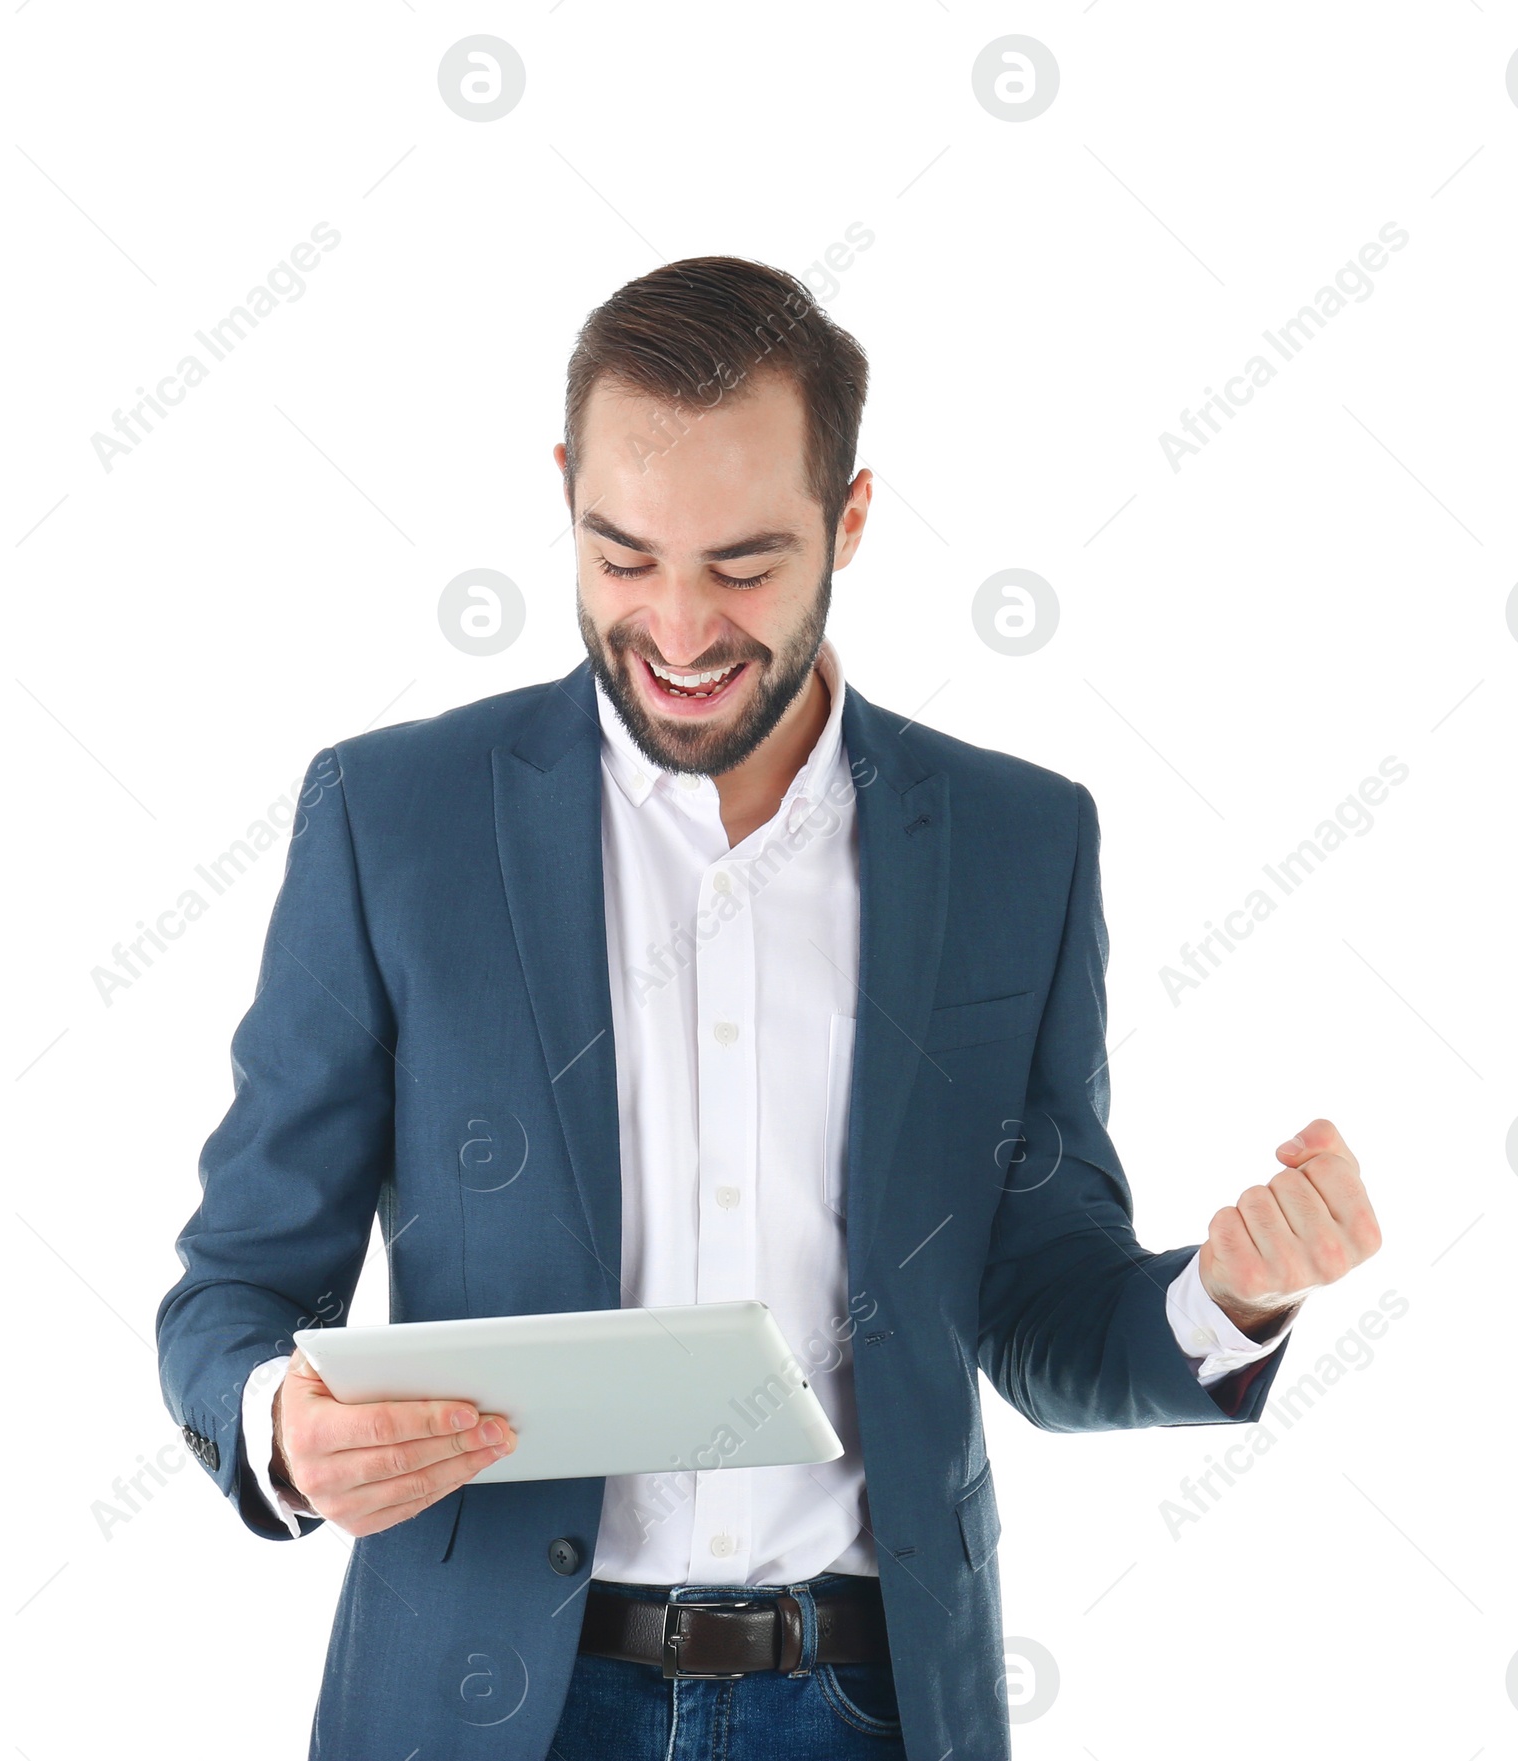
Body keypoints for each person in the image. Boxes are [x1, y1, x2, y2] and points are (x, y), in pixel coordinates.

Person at [156, 256, 1381, 1760]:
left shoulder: (1018, 843)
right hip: (489, 1707)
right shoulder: (393, 820)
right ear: (564, 494)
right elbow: (231, 1290)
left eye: (742, 566)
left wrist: (1228, 1297)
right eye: (620, 557)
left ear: (850, 521)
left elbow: (1038, 1298)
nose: (675, 629)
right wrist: (281, 1422)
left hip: (867, 1702)